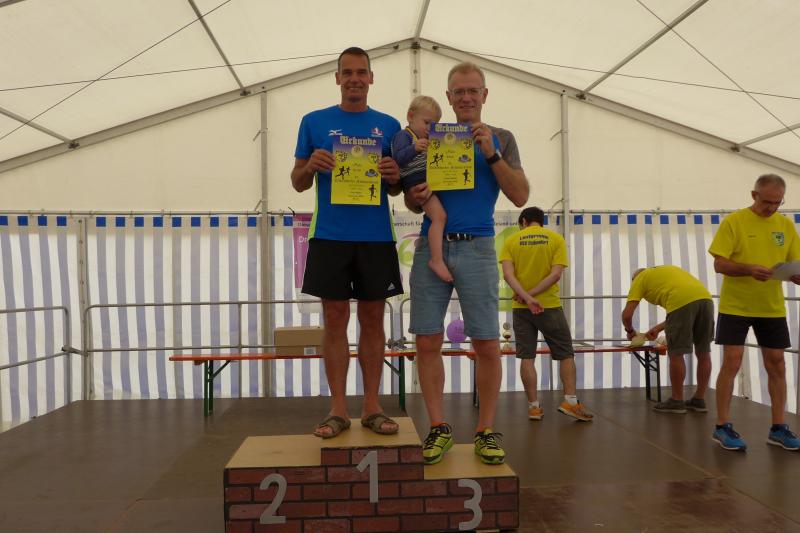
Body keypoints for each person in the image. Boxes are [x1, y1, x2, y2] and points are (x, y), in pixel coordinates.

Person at [406, 62, 529, 465]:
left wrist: (491, 153)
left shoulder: (502, 138)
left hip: (478, 247)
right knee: (427, 340)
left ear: (484, 95)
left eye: (472, 90)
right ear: (448, 97)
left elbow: (520, 196)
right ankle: (438, 427)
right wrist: (415, 196)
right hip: (432, 246)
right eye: (458, 91)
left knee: (487, 342)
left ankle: (485, 431)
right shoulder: (430, 136)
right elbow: (411, 195)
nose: (465, 97)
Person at [291, 47, 403, 439]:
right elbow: (298, 181)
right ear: (337, 78)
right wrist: (310, 165)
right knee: (335, 320)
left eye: (361, 72)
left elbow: (397, 188)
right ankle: (337, 409)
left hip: (376, 236)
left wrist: (394, 175)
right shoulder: (313, 122)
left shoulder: (389, 126)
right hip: (330, 236)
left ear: (371, 78)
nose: (355, 79)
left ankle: (372, 407)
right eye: (347, 72)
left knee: (373, 321)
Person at [709, 173, 800, 452]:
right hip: (735, 305)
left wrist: (796, 274)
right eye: (766, 201)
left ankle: (778, 427)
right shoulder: (734, 221)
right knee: (732, 361)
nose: (772, 207)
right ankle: (722, 426)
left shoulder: (785, 225)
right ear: (754, 195)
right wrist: (748, 269)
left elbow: (795, 262)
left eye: (777, 202)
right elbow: (719, 264)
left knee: (777, 363)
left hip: (771, 306)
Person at [500, 207, 593, 423]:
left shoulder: (511, 241)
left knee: (527, 356)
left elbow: (508, 275)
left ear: (523, 221)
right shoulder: (555, 239)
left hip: (521, 308)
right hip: (548, 305)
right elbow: (555, 275)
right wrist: (532, 296)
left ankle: (533, 407)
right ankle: (570, 402)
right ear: (541, 221)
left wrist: (524, 297)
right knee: (565, 353)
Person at [621, 266, 714, 414]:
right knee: (703, 352)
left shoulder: (639, 279)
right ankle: (699, 400)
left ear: (634, 279)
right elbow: (686, 307)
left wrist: (630, 331)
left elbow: (626, 315)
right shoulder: (663, 271)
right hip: (706, 300)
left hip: (681, 301)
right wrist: (658, 328)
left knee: (676, 353)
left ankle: (677, 400)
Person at [391, 95, 452, 283]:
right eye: (426, 123)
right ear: (410, 116)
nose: (429, 129)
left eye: (434, 125)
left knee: (440, 215)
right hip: (417, 182)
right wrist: (415, 148)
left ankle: (437, 256)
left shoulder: (424, 139)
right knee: (439, 217)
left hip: (428, 180)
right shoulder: (404, 135)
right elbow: (398, 158)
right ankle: (436, 260)